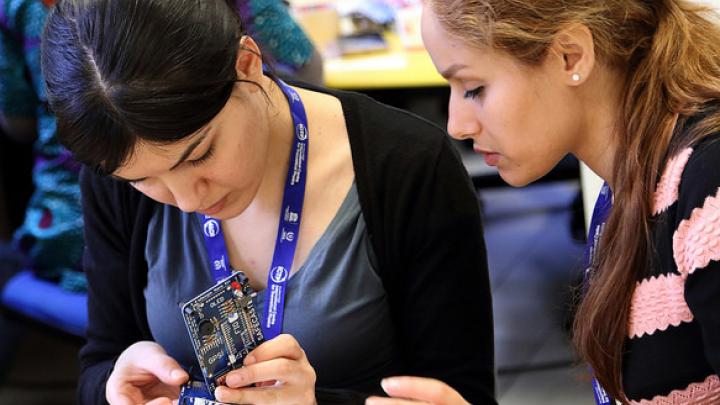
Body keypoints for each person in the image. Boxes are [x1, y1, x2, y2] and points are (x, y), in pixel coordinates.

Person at [40, 0, 496, 404]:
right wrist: (113, 385)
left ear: (247, 64)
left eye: (200, 154)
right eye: (144, 181)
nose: (185, 200)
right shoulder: (116, 173)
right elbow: (100, 361)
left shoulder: (409, 166)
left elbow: (461, 395)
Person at [373, 0, 720, 404]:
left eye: (473, 89)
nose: (457, 125)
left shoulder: (706, 186)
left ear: (570, 55)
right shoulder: (633, 180)